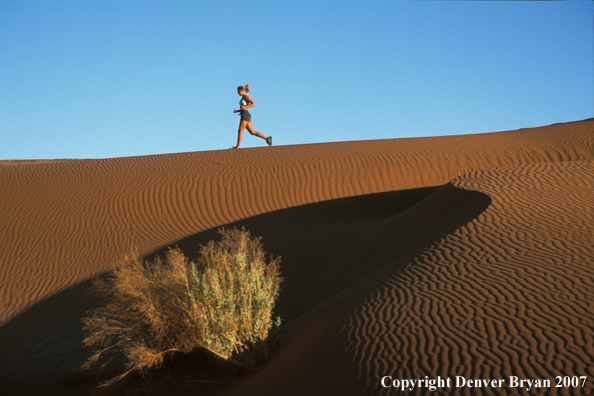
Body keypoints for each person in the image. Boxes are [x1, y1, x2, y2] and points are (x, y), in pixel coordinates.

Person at [232, 84, 272, 149]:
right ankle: (267, 138)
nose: (238, 93)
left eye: (238, 91)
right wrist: (237, 111)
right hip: (245, 114)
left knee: (240, 131)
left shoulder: (247, 97)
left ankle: (237, 147)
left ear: (242, 90)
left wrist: (245, 106)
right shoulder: (242, 98)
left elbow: (253, 104)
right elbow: (243, 108)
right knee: (252, 132)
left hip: (245, 115)